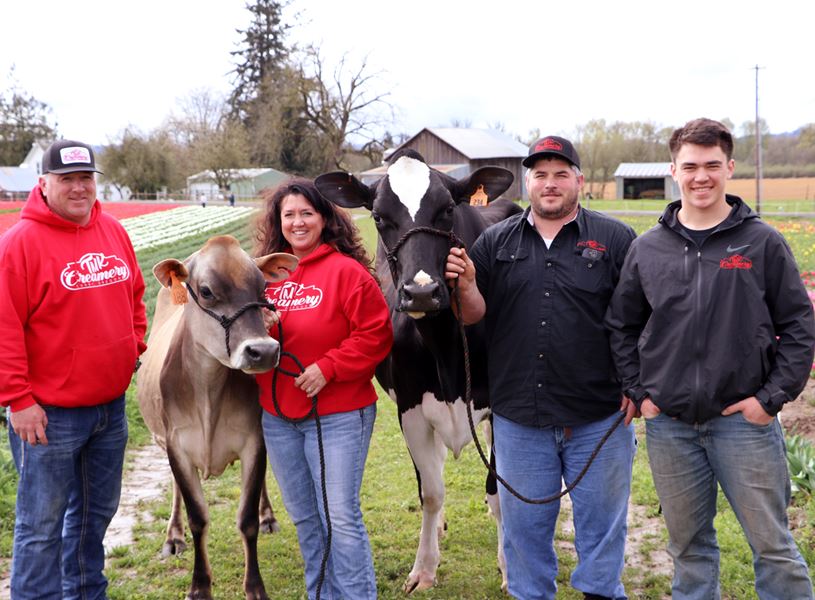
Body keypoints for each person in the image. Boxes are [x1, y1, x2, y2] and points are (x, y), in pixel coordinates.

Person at [605, 118, 815, 599]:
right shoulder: (648, 248)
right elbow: (621, 325)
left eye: (712, 165)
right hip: (671, 427)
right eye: (691, 166)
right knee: (689, 549)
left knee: (774, 547)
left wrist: (771, 399)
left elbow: (800, 326)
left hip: (745, 424)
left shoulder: (761, 242)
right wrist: (641, 393)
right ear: (673, 170)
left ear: (730, 167)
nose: (702, 176)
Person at [446, 136, 637, 600]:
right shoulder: (495, 241)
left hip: (599, 415)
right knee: (524, 531)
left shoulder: (615, 239)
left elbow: (636, 318)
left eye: (560, 173)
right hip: (519, 417)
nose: (550, 184)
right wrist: (468, 284)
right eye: (540, 175)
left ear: (579, 181)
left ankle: (601, 592)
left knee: (602, 527)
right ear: (529, 182)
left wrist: (638, 382)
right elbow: (472, 313)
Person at [0, 139, 147, 599]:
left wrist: (134, 347)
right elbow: (3, 329)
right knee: (40, 528)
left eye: (86, 178)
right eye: (67, 179)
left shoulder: (112, 232)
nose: (79, 188)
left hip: (109, 411)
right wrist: (19, 401)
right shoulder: (19, 245)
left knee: (93, 519)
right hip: (48, 417)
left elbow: (135, 296)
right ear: (43, 183)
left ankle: (86, 593)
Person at [254, 178, 392, 600]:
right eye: (289, 215)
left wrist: (328, 367)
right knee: (305, 518)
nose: (298, 222)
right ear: (278, 223)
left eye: (306, 213)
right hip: (278, 417)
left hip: (339, 416)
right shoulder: (262, 277)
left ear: (324, 218)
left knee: (339, 518)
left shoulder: (346, 273)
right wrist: (256, 328)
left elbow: (377, 334)